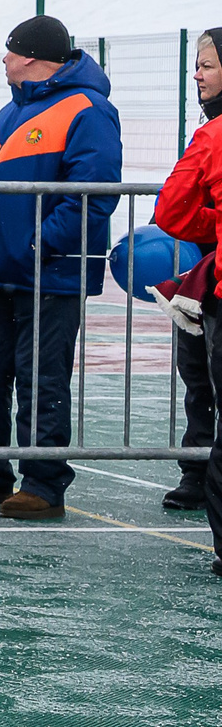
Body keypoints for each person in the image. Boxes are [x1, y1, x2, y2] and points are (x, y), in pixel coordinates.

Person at [0, 16, 121, 521]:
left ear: (34, 58)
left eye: (11, 51)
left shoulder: (88, 110)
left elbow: (92, 194)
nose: (4, 59)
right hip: (2, 270)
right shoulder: (12, 110)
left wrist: (40, 245)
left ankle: (43, 482)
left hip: (50, 273)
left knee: (41, 377)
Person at [151, 28, 221, 552]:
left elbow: (171, 211)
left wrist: (213, 225)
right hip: (207, 280)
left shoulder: (212, 136)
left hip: (213, 285)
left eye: (207, 65)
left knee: (203, 383)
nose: (196, 75)